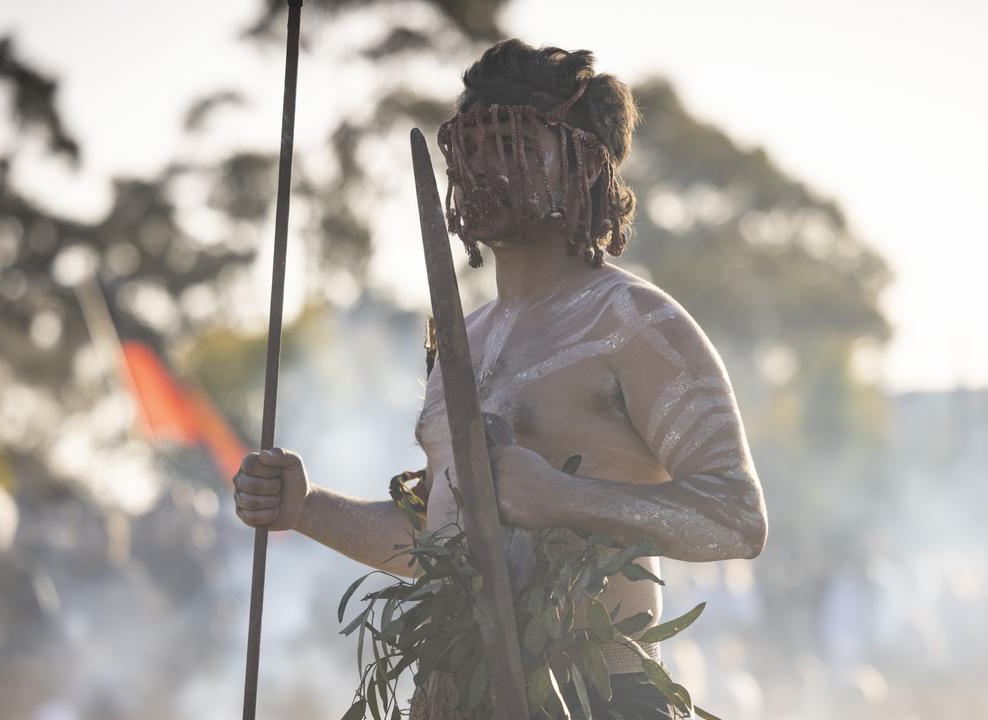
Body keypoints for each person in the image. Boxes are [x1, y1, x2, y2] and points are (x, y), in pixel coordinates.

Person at [233, 39, 768, 718]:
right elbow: (444, 544)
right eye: (473, 149)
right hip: (461, 694)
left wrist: (565, 497)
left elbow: (738, 520)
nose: (485, 168)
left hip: (599, 698)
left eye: (512, 144)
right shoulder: (459, 342)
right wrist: (306, 508)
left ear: (583, 165)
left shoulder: (635, 325)